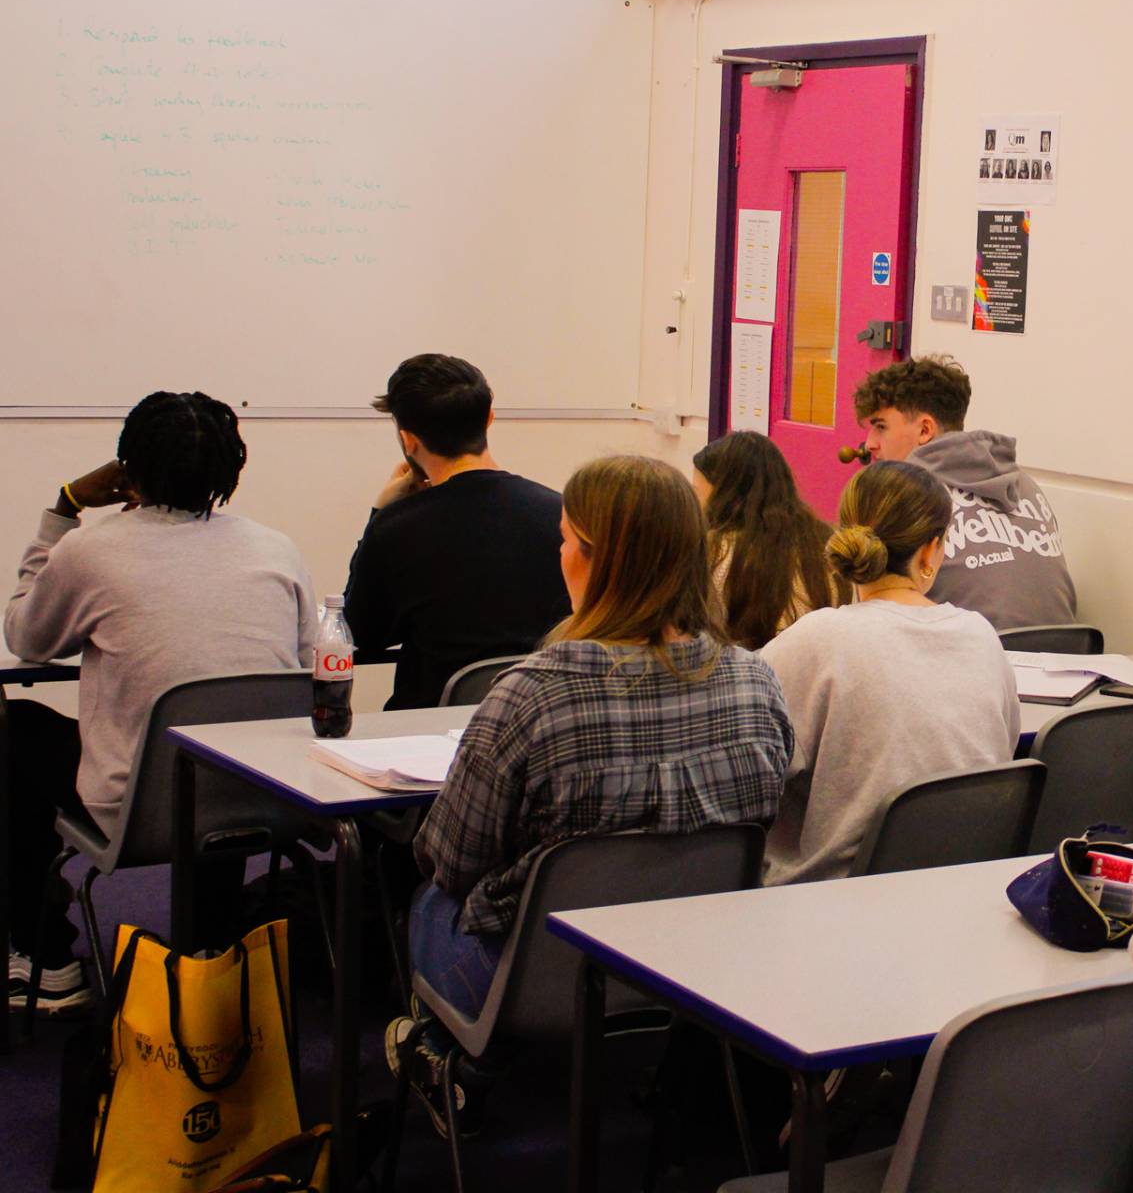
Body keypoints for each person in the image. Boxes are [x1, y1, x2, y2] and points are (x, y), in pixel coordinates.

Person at [392, 455, 792, 1133]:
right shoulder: (757, 682)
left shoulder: (533, 693)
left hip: (537, 981)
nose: (558, 552)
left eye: (565, 538)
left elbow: (453, 862)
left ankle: (459, 1064)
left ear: (593, 559)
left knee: (428, 899)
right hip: (696, 972)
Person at [5, 392, 316, 1012]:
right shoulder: (277, 549)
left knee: (13, 728)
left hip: (139, 812)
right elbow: (308, 660)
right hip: (266, 796)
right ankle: (212, 952)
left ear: (128, 470)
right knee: (214, 741)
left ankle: (45, 956)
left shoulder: (92, 550)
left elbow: (27, 639)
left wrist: (64, 506)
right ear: (232, 471)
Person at [760, 460, 1020, 885]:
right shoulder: (981, 635)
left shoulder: (817, 639)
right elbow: (1000, 754)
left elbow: (751, 766)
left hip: (830, 905)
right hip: (962, 891)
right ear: (930, 551)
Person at [344, 355, 572, 709]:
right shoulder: (562, 514)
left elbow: (360, 634)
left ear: (408, 441)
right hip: (537, 719)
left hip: (423, 731)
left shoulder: (398, 527)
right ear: (490, 419)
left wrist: (379, 513)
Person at [853, 355, 1077, 631]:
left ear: (925, 430)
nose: (869, 444)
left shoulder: (903, 497)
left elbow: (872, 613)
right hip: (1066, 658)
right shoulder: (1024, 484)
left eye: (880, 427)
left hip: (969, 659)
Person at [690, 431, 842, 650]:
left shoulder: (717, 549)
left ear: (724, 494)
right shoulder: (825, 540)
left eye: (697, 493)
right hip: (820, 671)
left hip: (745, 676)